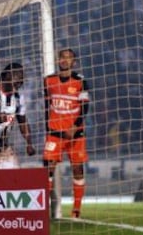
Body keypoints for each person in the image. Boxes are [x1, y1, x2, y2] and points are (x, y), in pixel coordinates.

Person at [43, 48, 90, 219]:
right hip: (55, 133)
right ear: (58, 60)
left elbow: (85, 107)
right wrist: (47, 129)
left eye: (69, 58)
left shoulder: (80, 81)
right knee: (47, 168)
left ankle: (76, 211)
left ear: (74, 62)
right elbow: (47, 106)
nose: (65, 60)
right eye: (62, 57)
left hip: (75, 135)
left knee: (78, 169)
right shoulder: (48, 81)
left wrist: (75, 126)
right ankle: (44, 209)